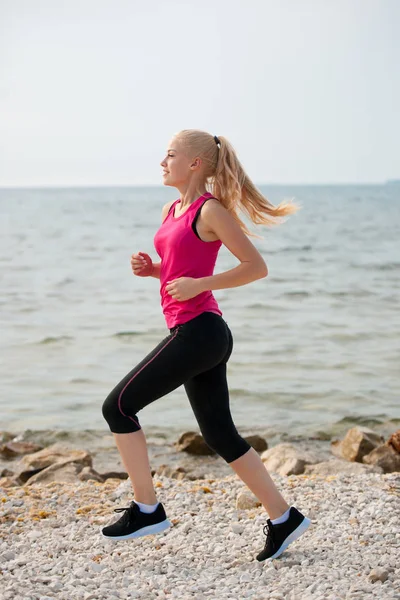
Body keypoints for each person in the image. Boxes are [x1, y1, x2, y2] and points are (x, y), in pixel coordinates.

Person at [101, 129, 311, 561]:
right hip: (196, 331)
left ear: (195, 163)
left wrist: (203, 283)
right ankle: (283, 517)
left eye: (170, 155)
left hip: (200, 331)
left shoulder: (210, 210)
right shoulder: (171, 209)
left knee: (118, 407)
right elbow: (180, 269)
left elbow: (256, 267)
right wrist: (154, 270)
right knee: (219, 434)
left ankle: (148, 508)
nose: (162, 161)